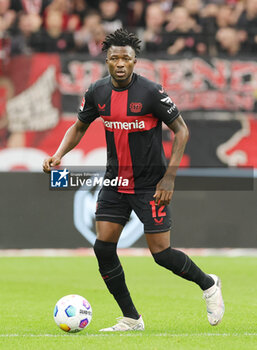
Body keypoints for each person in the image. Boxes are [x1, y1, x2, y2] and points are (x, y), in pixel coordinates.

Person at [43, 28, 225, 332]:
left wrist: (169, 179)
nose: (120, 63)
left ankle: (208, 285)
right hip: (115, 182)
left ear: (135, 60)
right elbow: (78, 127)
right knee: (103, 248)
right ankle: (131, 318)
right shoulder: (97, 92)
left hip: (150, 184)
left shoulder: (151, 92)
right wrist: (59, 153)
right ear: (107, 60)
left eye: (125, 58)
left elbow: (181, 131)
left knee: (162, 254)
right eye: (114, 58)